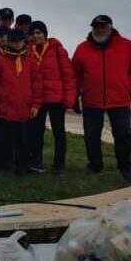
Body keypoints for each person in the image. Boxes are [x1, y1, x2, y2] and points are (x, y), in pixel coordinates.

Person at [72, 15, 131, 182]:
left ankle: (125, 167)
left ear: (111, 27)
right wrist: (74, 96)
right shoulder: (82, 48)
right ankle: (95, 166)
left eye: (103, 26)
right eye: (96, 26)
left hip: (119, 100)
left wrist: (129, 86)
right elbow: (75, 75)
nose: (100, 29)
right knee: (91, 135)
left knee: (123, 135)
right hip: (91, 100)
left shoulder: (128, 46)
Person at [0, 29, 43, 174]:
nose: (17, 44)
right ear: (8, 42)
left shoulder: (30, 62)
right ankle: (0, 165)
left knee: (23, 141)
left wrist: (36, 104)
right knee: (2, 140)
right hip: (4, 109)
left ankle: (22, 166)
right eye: (13, 41)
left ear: (24, 42)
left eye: (19, 41)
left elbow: (37, 84)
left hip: (24, 109)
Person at [27, 20, 75, 175]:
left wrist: (69, 99)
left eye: (39, 33)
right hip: (37, 99)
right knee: (36, 132)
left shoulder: (58, 50)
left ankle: (59, 164)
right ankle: (36, 162)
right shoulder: (27, 50)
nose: (36, 36)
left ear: (45, 34)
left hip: (56, 99)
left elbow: (68, 76)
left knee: (59, 132)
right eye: (33, 33)